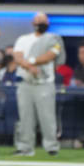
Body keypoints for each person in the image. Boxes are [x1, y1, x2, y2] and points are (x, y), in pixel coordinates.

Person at [12, 12, 63, 157]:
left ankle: (51, 147)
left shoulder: (53, 39)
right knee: (25, 117)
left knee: (47, 116)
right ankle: (25, 147)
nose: (40, 23)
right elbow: (17, 56)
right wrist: (29, 67)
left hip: (44, 83)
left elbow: (51, 55)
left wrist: (32, 62)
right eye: (38, 20)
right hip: (25, 83)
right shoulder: (23, 39)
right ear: (32, 23)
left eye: (43, 20)